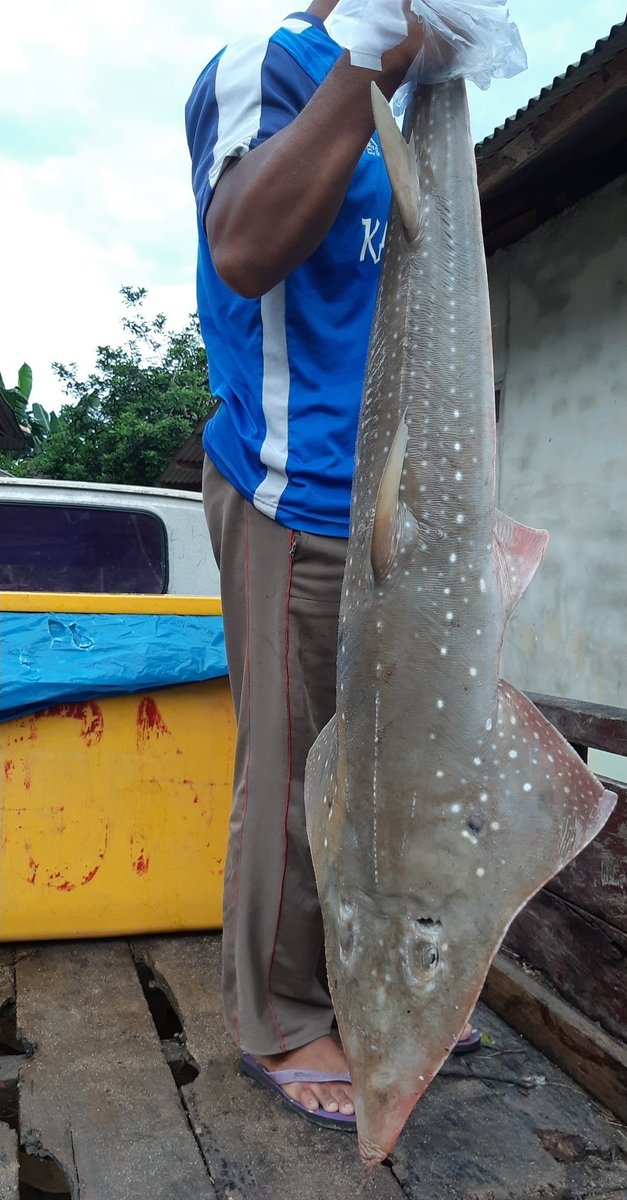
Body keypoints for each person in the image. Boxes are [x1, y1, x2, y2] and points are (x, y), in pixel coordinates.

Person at [185, 1, 477, 1128]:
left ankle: (368, 993)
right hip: (290, 488)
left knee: (385, 782)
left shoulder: (413, 105)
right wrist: (373, 55)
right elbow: (245, 246)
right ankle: (280, 1019)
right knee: (297, 762)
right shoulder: (278, 61)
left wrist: (420, 72)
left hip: (397, 522)